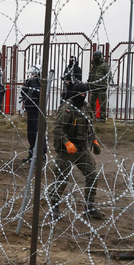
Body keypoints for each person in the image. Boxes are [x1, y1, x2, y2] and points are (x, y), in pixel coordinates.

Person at [48, 82, 105, 220]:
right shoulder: (67, 108)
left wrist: (94, 140)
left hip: (81, 148)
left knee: (92, 174)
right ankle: (54, 207)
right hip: (67, 150)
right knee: (62, 178)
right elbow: (57, 128)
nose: (83, 96)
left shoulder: (86, 107)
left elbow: (90, 126)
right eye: (80, 94)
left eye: (85, 94)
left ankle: (89, 206)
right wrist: (67, 143)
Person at [20, 65, 44, 163]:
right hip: (30, 110)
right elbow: (23, 92)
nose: (32, 75)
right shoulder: (30, 82)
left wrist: (34, 87)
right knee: (30, 134)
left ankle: (42, 156)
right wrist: (26, 85)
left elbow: (41, 95)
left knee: (38, 133)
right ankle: (31, 154)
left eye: (33, 74)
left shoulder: (42, 83)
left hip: (38, 111)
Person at [87, 51, 111, 122]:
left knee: (102, 104)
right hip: (93, 87)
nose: (96, 58)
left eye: (97, 57)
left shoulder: (104, 65)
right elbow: (91, 75)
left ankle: (102, 118)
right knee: (91, 103)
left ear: (101, 57)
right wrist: (89, 83)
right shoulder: (94, 65)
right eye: (95, 57)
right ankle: (91, 117)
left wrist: (106, 84)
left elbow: (109, 75)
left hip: (101, 87)